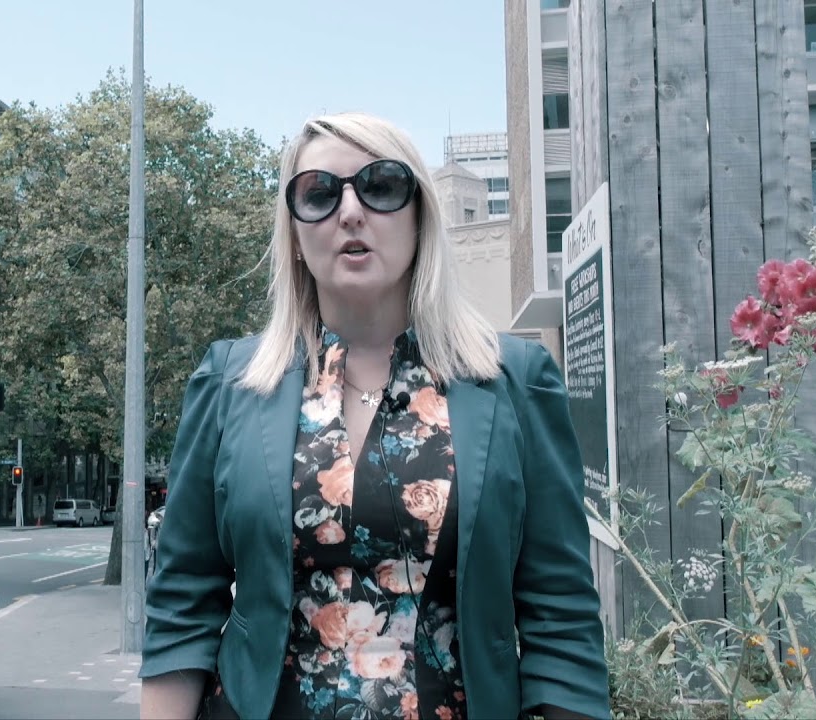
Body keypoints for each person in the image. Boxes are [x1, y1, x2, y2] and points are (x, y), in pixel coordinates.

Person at [139, 112, 609, 720]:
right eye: (319, 194)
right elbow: (183, 603)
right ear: (295, 233)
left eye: (381, 186)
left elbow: (561, 616)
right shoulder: (230, 383)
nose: (351, 212)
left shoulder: (515, 381)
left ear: (420, 217)